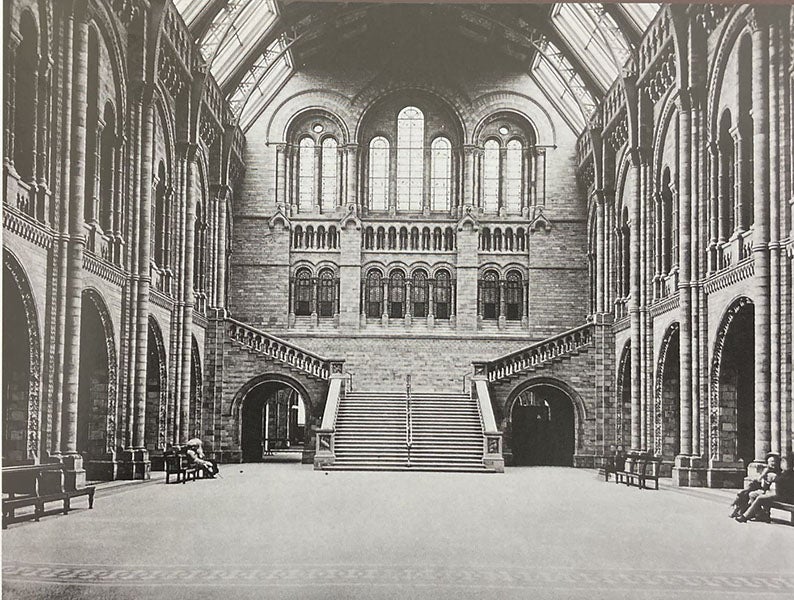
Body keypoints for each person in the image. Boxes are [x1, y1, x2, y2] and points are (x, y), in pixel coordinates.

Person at [736, 453, 794, 523]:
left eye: (783, 462)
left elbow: (785, 484)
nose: (781, 464)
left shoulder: (789, 473)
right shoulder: (782, 472)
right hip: (778, 494)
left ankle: (745, 516)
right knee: (752, 495)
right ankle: (761, 514)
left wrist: (775, 479)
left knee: (760, 498)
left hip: (785, 497)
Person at [728, 452, 780, 518]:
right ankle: (741, 511)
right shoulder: (766, 470)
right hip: (760, 488)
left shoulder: (776, 472)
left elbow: (765, 485)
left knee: (749, 494)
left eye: (774, 461)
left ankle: (750, 513)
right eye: (771, 462)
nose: (773, 463)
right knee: (745, 493)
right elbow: (758, 481)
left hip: (768, 492)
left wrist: (763, 476)